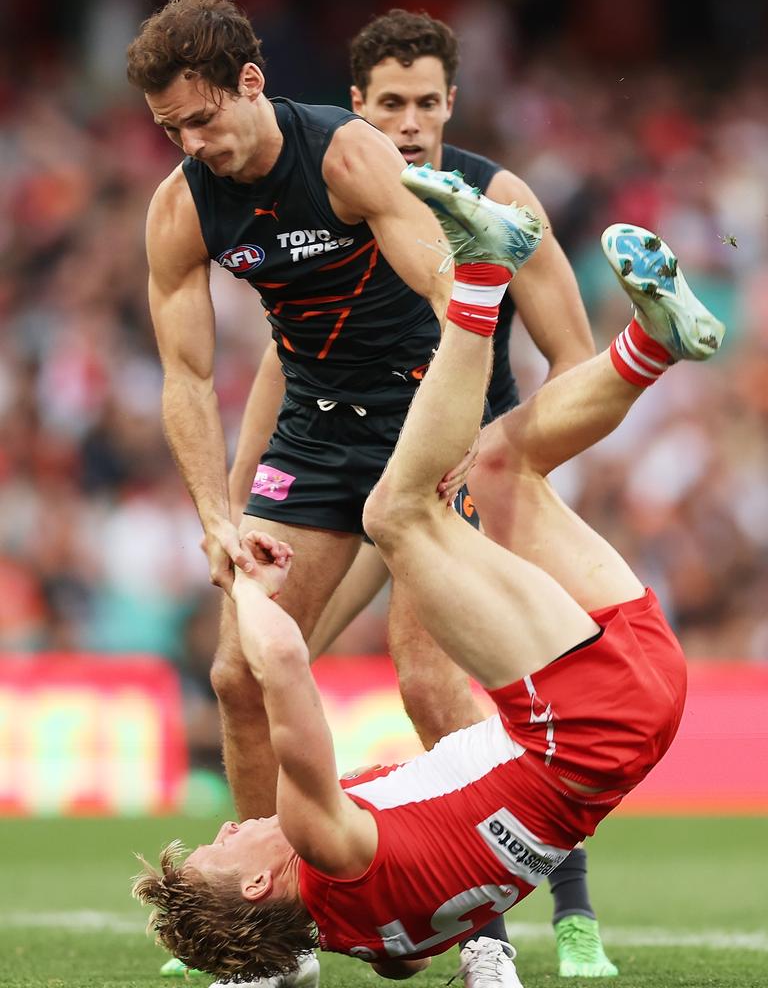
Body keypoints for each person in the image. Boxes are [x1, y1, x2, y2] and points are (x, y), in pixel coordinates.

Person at [131, 174, 726, 987]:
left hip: (635, 715)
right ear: (260, 883)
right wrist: (241, 577)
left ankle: (653, 345)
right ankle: (483, 272)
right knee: (397, 514)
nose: (231, 830)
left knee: (498, 469)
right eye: (223, 849)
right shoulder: (316, 840)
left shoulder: (366, 939)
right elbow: (285, 669)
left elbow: (405, 954)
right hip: (578, 720)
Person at [126, 0, 590, 983]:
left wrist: (473, 439)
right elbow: (187, 375)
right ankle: (269, 940)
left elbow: (440, 289)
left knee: (426, 680)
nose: (193, 143)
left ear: (252, 83)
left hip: (423, 424)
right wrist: (216, 513)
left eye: (203, 119)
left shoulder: (345, 154)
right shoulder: (181, 204)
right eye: (172, 129)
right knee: (236, 676)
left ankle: (485, 938)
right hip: (316, 435)